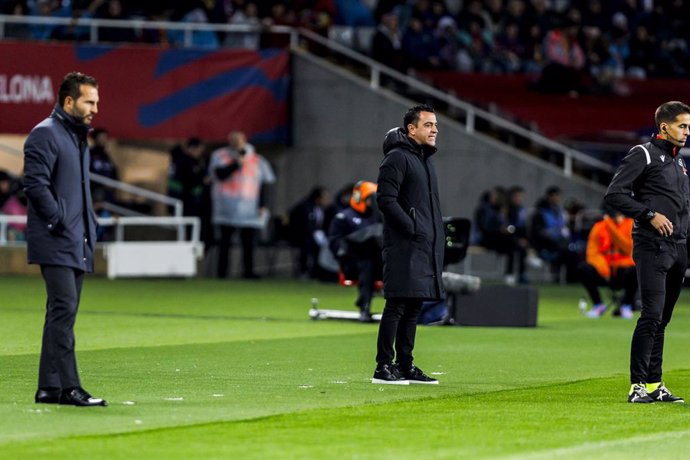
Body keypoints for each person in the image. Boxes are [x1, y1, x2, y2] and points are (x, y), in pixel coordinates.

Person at [23, 71, 107, 407]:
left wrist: (89, 226)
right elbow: (35, 185)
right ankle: (71, 387)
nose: (95, 109)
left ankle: (50, 387)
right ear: (69, 101)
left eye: (97, 102)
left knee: (60, 314)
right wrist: (58, 221)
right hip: (57, 238)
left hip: (75, 238)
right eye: (89, 101)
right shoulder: (45, 134)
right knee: (63, 311)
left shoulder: (75, 137)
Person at [605, 100, 690, 404]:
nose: (687, 132)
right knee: (651, 316)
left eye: (688, 126)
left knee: (663, 319)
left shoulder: (679, 162)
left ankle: (655, 384)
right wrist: (648, 214)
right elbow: (614, 194)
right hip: (652, 245)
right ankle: (637, 385)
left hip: (679, 248)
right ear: (664, 126)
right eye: (682, 125)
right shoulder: (642, 154)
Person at [373, 104, 444, 385]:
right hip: (404, 244)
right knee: (397, 305)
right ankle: (382, 367)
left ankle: (405, 365)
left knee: (413, 306)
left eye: (435, 125)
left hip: (422, 245)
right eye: (428, 125)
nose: (435, 129)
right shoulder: (397, 158)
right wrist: (413, 228)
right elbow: (385, 200)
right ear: (411, 129)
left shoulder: (425, 160)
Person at [209, 130, 275, 279]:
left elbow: (264, 183)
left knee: (248, 242)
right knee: (225, 242)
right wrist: (237, 163)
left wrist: (262, 204)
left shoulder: (257, 159)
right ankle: (222, 272)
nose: (236, 143)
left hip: (249, 207)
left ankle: (248, 272)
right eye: (233, 139)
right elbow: (219, 174)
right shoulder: (220, 156)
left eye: (239, 140)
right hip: (226, 206)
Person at [328, 181, 383, 322]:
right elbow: (336, 245)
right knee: (367, 260)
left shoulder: (378, 218)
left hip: (379, 262)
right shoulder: (343, 217)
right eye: (371, 199)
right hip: (352, 264)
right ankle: (364, 306)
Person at [580, 206, 637, 319]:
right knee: (584, 268)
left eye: (620, 215)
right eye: (615, 215)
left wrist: (611, 228)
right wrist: (603, 269)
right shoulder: (599, 227)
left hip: (622, 271)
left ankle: (626, 305)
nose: (618, 218)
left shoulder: (630, 224)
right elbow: (592, 253)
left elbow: (627, 248)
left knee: (635, 271)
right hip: (604, 272)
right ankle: (598, 304)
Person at [288, 185, 332, 279]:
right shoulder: (305, 207)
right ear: (318, 197)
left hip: (317, 235)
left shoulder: (321, 209)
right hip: (301, 236)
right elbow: (303, 225)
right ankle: (304, 270)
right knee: (308, 243)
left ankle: (321, 271)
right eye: (324, 197)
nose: (326, 200)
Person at [530, 186, 571, 283]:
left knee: (570, 250)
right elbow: (537, 232)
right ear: (550, 196)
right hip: (545, 243)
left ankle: (565, 278)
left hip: (559, 241)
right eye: (556, 196)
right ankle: (557, 276)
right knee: (563, 250)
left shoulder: (559, 212)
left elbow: (563, 227)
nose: (558, 198)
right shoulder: (540, 212)